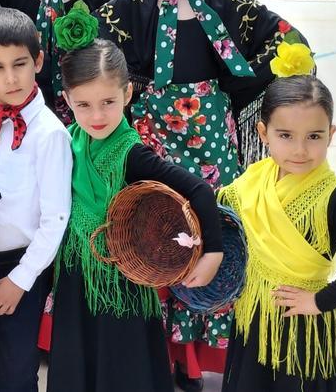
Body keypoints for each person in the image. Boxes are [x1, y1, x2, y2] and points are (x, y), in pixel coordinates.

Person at [96, 0, 300, 388]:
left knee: (214, 234)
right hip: (153, 137)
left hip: (211, 139)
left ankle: (198, 358)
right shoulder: (134, 2)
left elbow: (288, 42)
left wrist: (241, 95)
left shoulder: (232, 4)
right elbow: (97, 50)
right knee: (153, 233)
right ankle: (157, 356)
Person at [44, 33, 223, 392]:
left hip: (121, 279)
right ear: (66, 100)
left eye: (108, 102)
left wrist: (213, 253)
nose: (97, 116)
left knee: (122, 365)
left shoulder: (131, 153)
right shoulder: (67, 140)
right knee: (79, 360)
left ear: (127, 95)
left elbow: (199, 190)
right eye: (84, 105)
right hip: (75, 274)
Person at [220, 70, 336, 392]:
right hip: (253, 317)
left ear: (331, 134)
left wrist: (320, 301)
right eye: (286, 136)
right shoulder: (252, 181)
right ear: (263, 133)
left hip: (304, 329)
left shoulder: (333, 195)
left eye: (314, 136)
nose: (300, 150)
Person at [0, 9, 74, 392]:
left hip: (22, 264)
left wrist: (20, 281)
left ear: (38, 62)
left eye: (20, 64)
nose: (11, 78)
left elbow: (56, 218)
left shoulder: (49, 133)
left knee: (17, 369)